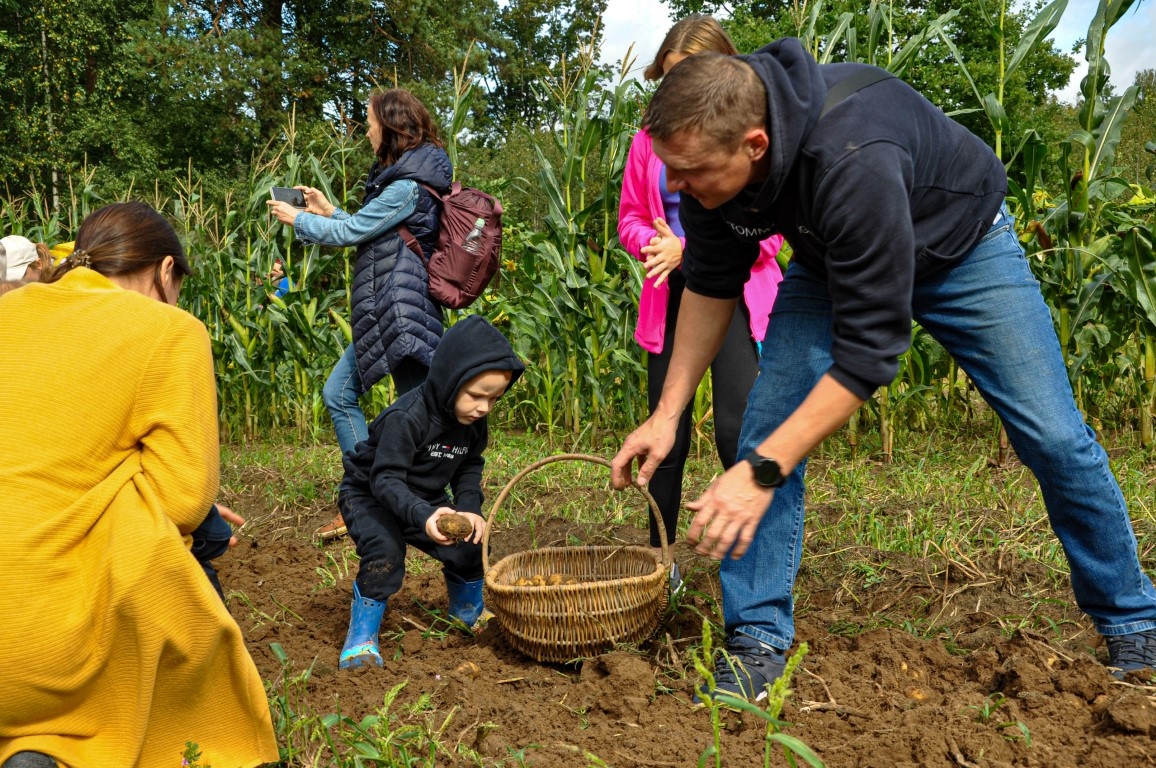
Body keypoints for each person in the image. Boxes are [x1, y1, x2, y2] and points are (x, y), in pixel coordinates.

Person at [610, 39, 1156, 701]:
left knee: (1053, 435)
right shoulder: (708, 158)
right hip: (831, 257)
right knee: (767, 426)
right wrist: (668, 415)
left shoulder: (851, 156)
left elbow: (869, 356)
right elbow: (709, 283)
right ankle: (755, 637)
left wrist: (757, 475)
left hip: (962, 248)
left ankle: (1132, 618)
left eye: (689, 172)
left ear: (755, 145)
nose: (675, 187)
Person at [0, 202, 278, 767]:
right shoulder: (169, 330)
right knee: (187, 550)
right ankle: (62, 742)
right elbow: (181, 499)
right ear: (165, 271)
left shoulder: (9, 312)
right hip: (45, 654)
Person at [618, 15, 783, 584]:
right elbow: (630, 220)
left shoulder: (754, 140)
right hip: (670, 292)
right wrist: (657, 244)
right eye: (668, 78)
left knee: (738, 426)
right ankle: (658, 565)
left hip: (733, 290)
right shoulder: (647, 142)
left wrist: (689, 247)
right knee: (667, 429)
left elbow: (773, 231)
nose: (680, 90)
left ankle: (753, 557)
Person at [269, 88, 452, 541]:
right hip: (389, 313)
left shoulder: (407, 185)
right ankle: (385, 497)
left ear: (390, 127)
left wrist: (300, 221)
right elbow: (374, 229)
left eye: (369, 123)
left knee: (419, 414)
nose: (366, 131)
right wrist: (328, 211)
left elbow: (354, 232)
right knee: (351, 396)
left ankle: (427, 508)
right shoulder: (403, 182)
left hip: (401, 313)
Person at [336, 314, 524, 668]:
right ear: (450, 379)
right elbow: (385, 479)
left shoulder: (472, 422)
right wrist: (424, 515)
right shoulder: (407, 417)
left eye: (494, 399)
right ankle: (361, 639)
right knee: (385, 553)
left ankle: (466, 613)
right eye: (476, 396)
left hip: (422, 495)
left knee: (470, 543)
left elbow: (469, 465)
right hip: (370, 493)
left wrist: (469, 508)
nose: (484, 407)